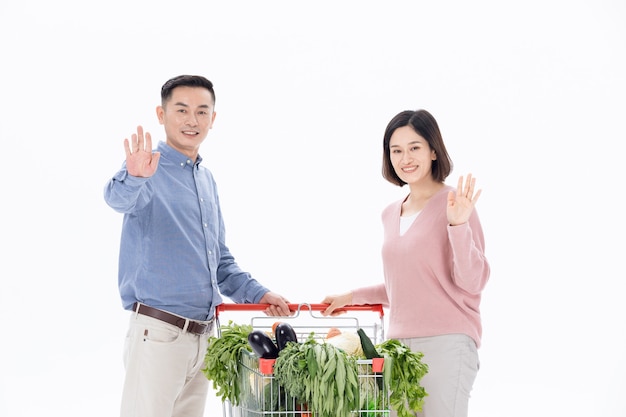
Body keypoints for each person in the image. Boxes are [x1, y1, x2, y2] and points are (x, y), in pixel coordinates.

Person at [103, 75, 291, 417]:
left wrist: (259, 294)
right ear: (161, 115)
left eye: (202, 111)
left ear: (213, 119)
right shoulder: (147, 167)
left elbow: (219, 261)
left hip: (204, 338)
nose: (192, 120)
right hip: (159, 336)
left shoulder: (205, 179)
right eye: (182, 110)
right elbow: (117, 199)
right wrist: (134, 177)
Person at [321, 109, 490, 417]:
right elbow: (410, 283)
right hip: (398, 347)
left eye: (415, 147)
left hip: (447, 344)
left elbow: (472, 281)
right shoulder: (389, 213)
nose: (405, 158)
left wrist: (458, 226)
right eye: (396, 150)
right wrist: (351, 297)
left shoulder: (456, 205)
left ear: (433, 151)